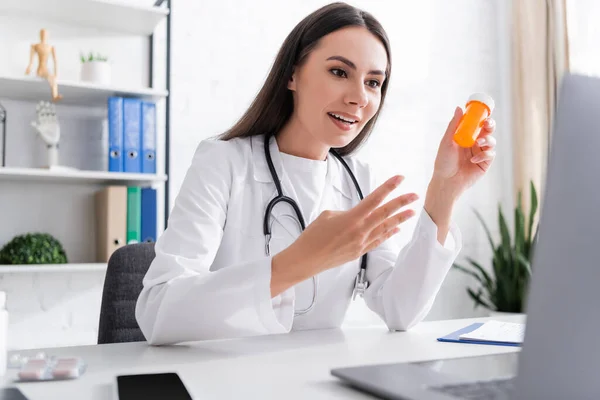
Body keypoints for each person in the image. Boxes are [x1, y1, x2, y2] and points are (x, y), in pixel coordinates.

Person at [135, 2, 497, 345]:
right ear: (293, 75)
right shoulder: (223, 162)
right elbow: (157, 312)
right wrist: (297, 262)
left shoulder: (359, 180)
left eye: (374, 82)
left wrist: (444, 192)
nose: (359, 97)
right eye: (339, 72)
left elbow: (400, 310)